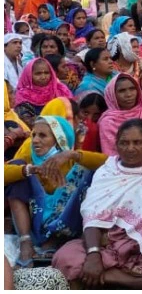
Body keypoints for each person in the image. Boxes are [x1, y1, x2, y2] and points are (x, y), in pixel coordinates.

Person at [52, 119, 142, 289]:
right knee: (65, 257)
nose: (130, 148)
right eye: (124, 143)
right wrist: (93, 254)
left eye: (138, 142)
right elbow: (91, 217)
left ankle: (108, 277)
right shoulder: (107, 171)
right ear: (116, 145)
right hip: (108, 246)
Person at [5, 103, 106, 267]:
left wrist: (73, 154)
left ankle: (55, 241)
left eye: (43, 136)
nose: (35, 140)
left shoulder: (71, 159)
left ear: (59, 140)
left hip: (66, 226)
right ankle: (26, 242)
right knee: (18, 169)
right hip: (35, 226)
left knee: (86, 172)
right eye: (34, 134)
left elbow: (110, 163)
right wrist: (29, 170)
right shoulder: (30, 159)